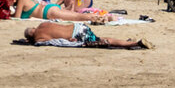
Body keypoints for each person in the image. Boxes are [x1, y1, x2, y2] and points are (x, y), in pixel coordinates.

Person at [23, 21, 151, 49]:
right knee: (101, 37)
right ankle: (126, 41)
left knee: (105, 41)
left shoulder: (39, 38)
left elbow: (55, 42)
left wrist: (71, 42)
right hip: (78, 26)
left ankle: (134, 43)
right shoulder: (43, 24)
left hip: (77, 35)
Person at [12, 0, 111, 22]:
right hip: (50, 8)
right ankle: (102, 16)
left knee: (78, 17)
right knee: (78, 16)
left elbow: (17, 17)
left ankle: (101, 17)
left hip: (48, 12)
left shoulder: (21, 0)